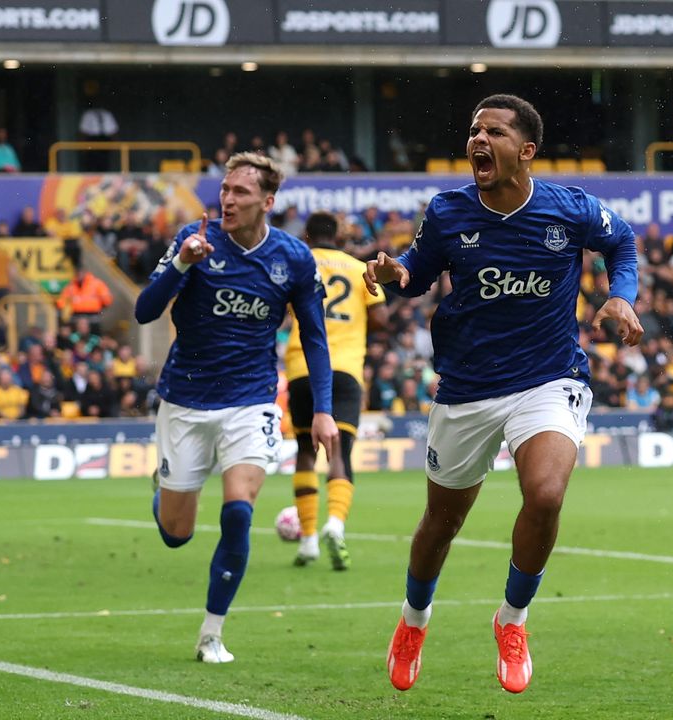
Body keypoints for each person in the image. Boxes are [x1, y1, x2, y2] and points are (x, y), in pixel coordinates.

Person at [365, 94, 642, 694]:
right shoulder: (448, 211)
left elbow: (623, 243)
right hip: (466, 388)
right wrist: (396, 275)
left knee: (545, 494)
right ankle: (414, 620)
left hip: (549, 377)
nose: (478, 140)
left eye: (493, 132)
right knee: (442, 523)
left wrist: (622, 294)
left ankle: (512, 619)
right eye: (474, 131)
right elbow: (416, 271)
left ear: (527, 149)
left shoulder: (570, 208)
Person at [134, 152, 336, 664]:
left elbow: (314, 337)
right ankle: (164, 494)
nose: (227, 198)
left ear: (267, 202)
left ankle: (212, 633)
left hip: (251, 401)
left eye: (240, 192)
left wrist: (323, 409)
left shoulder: (293, 258)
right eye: (225, 189)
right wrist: (182, 263)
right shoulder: (194, 240)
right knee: (176, 535)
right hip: (185, 399)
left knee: (239, 512)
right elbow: (144, 311)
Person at [284, 211, 387, 570]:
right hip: (345, 367)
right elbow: (381, 319)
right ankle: (336, 524)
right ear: (339, 236)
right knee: (340, 450)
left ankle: (308, 540)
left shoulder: (299, 262)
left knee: (305, 449)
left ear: (307, 236)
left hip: (302, 365)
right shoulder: (358, 269)